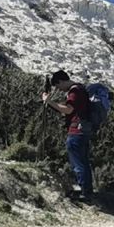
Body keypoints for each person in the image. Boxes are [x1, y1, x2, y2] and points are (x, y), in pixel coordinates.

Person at [42, 70, 94, 203]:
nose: (59, 89)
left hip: (77, 130)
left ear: (61, 81)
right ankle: (87, 190)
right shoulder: (81, 89)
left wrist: (49, 102)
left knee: (78, 161)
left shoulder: (74, 91)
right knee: (83, 161)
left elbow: (68, 109)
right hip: (84, 130)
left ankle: (84, 191)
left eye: (58, 86)